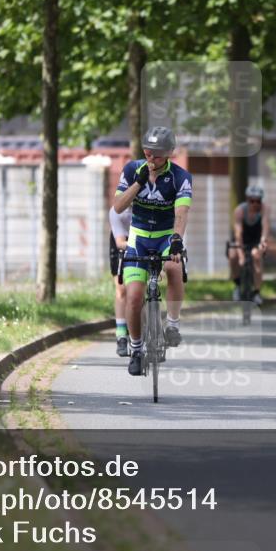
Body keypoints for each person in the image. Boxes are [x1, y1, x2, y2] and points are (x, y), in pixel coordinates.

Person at [113, 126, 193, 377]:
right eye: (147, 152)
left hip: (165, 236)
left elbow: (181, 212)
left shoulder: (181, 177)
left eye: (157, 154)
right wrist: (137, 183)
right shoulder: (131, 169)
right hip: (138, 238)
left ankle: (172, 324)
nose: (151, 158)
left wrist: (177, 239)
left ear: (169, 153)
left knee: (174, 267)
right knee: (134, 297)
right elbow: (117, 207)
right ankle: (136, 349)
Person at [228, 184, 270, 305]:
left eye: (258, 201)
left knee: (256, 257)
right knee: (233, 255)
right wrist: (241, 256)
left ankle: (257, 292)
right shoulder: (239, 211)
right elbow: (238, 234)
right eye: (252, 201)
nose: (255, 204)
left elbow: (265, 226)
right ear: (247, 200)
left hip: (255, 239)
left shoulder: (264, 209)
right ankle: (237, 285)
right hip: (240, 239)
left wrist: (263, 241)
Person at [109, 205, 133, 357]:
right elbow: (120, 243)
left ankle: (140, 331)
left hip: (146, 239)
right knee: (122, 289)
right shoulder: (117, 211)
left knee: (138, 291)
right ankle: (121, 335)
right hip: (122, 242)